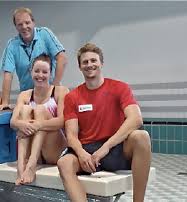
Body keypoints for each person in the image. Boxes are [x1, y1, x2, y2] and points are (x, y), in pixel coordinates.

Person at [57, 43, 151, 202]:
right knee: (64, 164)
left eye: (93, 60)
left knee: (141, 136)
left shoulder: (119, 88)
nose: (89, 65)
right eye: (85, 62)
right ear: (80, 67)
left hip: (115, 148)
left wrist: (106, 147)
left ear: (101, 63)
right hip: (87, 150)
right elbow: (71, 135)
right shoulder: (72, 97)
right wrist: (81, 153)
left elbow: (136, 118)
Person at [10, 54, 69, 185]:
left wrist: (38, 124)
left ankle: (31, 165)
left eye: (44, 72)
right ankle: (21, 166)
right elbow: (13, 122)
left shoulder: (60, 91)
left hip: (53, 150)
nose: (40, 75)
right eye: (36, 71)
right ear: (31, 72)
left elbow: (61, 121)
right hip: (32, 147)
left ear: (50, 73)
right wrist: (22, 125)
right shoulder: (24, 95)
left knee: (40, 110)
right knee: (25, 111)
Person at [0, 7, 67, 110]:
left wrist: (55, 87)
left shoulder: (45, 34)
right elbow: (8, 75)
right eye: (20, 24)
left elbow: (62, 58)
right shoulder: (12, 45)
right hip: (28, 99)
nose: (24, 27)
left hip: (51, 96)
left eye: (27, 22)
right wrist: (5, 102)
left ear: (33, 22)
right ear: (16, 27)